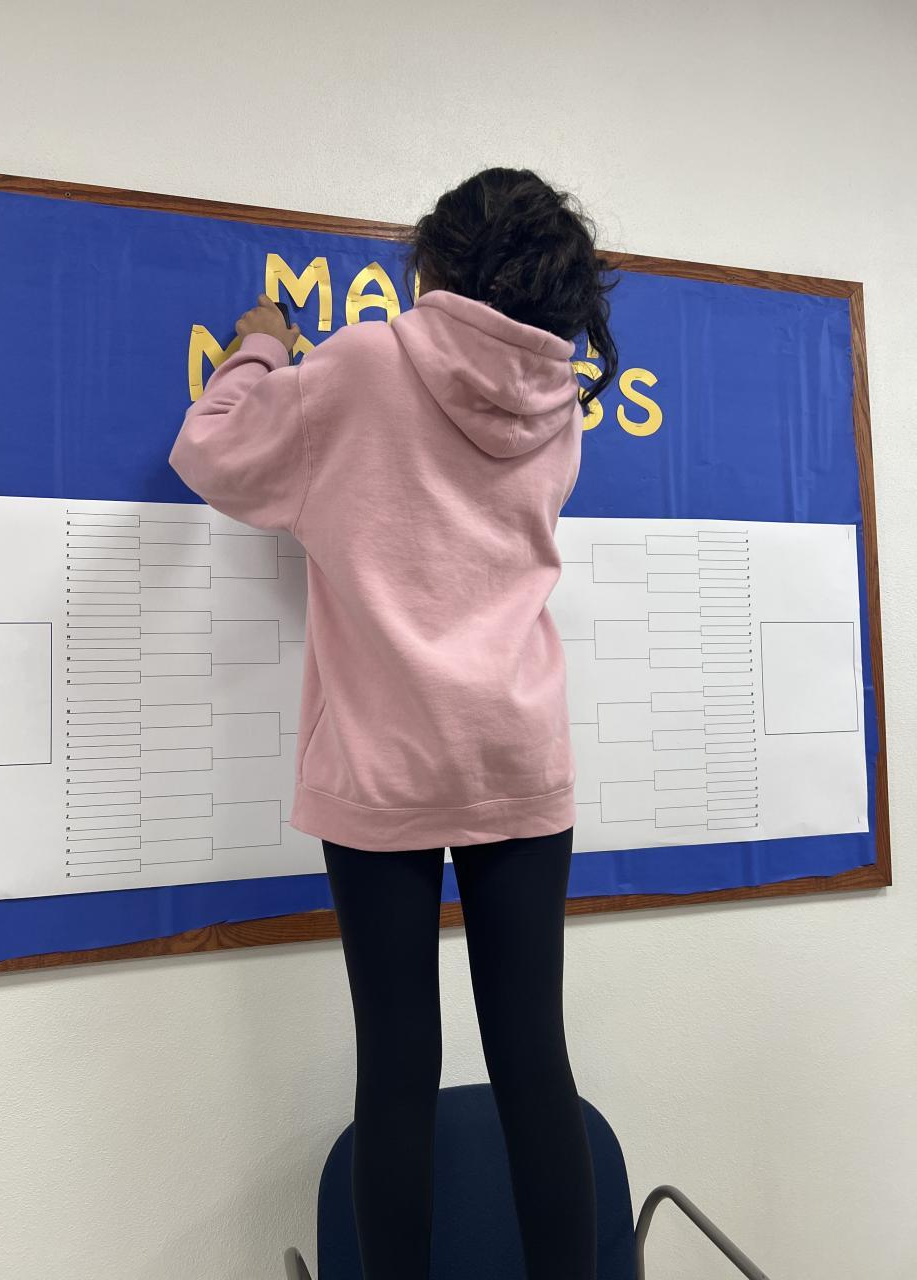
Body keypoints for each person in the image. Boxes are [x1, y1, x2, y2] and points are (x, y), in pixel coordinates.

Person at [168, 166, 618, 1280]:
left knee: (397, 1070)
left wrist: (261, 345)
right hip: (519, 751)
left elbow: (209, 448)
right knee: (535, 1063)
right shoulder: (559, 400)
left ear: (443, 260)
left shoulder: (365, 363)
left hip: (385, 762)